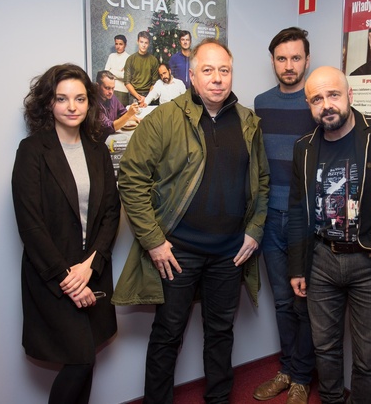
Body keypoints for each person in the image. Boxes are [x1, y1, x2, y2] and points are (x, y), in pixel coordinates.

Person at [112, 38, 270, 404]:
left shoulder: (248, 121)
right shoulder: (164, 118)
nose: (217, 78)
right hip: (177, 252)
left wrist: (255, 230)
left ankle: (219, 399)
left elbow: (262, 181)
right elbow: (131, 180)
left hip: (231, 253)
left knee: (221, 333)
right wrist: (153, 240)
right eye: (208, 70)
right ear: (193, 76)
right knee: (168, 334)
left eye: (224, 70)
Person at [287, 66, 371, 403]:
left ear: (349, 95)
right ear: (309, 105)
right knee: (325, 348)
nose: (326, 104)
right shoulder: (304, 147)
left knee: (368, 358)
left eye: (333, 95)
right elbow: (297, 209)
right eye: (317, 99)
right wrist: (297, 268)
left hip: (370, 263)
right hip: (321, 260)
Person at [11, 64, 121, 404]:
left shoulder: (98, 150)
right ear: (49, 103)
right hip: (52, 276)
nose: (72, 106)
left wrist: (90, 266)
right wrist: (68, 279)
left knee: (86, 359)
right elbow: (30, 224)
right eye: (62, 99)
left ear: (90, 103)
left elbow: (111, 213)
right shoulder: (32, 150)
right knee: (80, 360)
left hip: (92, 271)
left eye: (80, 98)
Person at [252, 27, 316, 404]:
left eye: (295, 58)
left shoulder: (316, 103)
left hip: (303, 220)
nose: (289, 65)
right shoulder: (260, 104)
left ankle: (302, 377)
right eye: (281, 58)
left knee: (303, 302)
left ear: (307, 60)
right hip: (268, 219)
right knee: (281, 301)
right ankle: (288, 369)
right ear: (273, 61)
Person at [96, 70, 140, 139]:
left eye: (113, 88)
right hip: (100, 139)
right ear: (98, 86)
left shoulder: (111, 96)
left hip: (111, 136)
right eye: (107, 88)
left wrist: (137, 119)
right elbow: (109, 127)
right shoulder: (93, 104)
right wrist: (129, 114)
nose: (111, 92)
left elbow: (123, 112)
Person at [124, 30, 160, 105]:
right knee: (133, 112)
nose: (143, 45)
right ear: (137, 42)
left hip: (149, 94)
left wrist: (147, 98)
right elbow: (127, 82)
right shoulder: (130, 59)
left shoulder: (153, 60)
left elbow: (154, 83)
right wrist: (138, 97)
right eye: (141, 42)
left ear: (149, 44)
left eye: (146, 43)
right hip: (134, 94)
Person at [104, 34, 131, 106]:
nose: (118, 46)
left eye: (120, 44)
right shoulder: (111, 56)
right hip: (110, 90)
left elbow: (124, 76)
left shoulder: (129, 58)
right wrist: (118, 72)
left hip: (123, 91)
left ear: (125, 45)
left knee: (122, 112)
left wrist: (111, 70)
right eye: (116, 44)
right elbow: (106, 73)